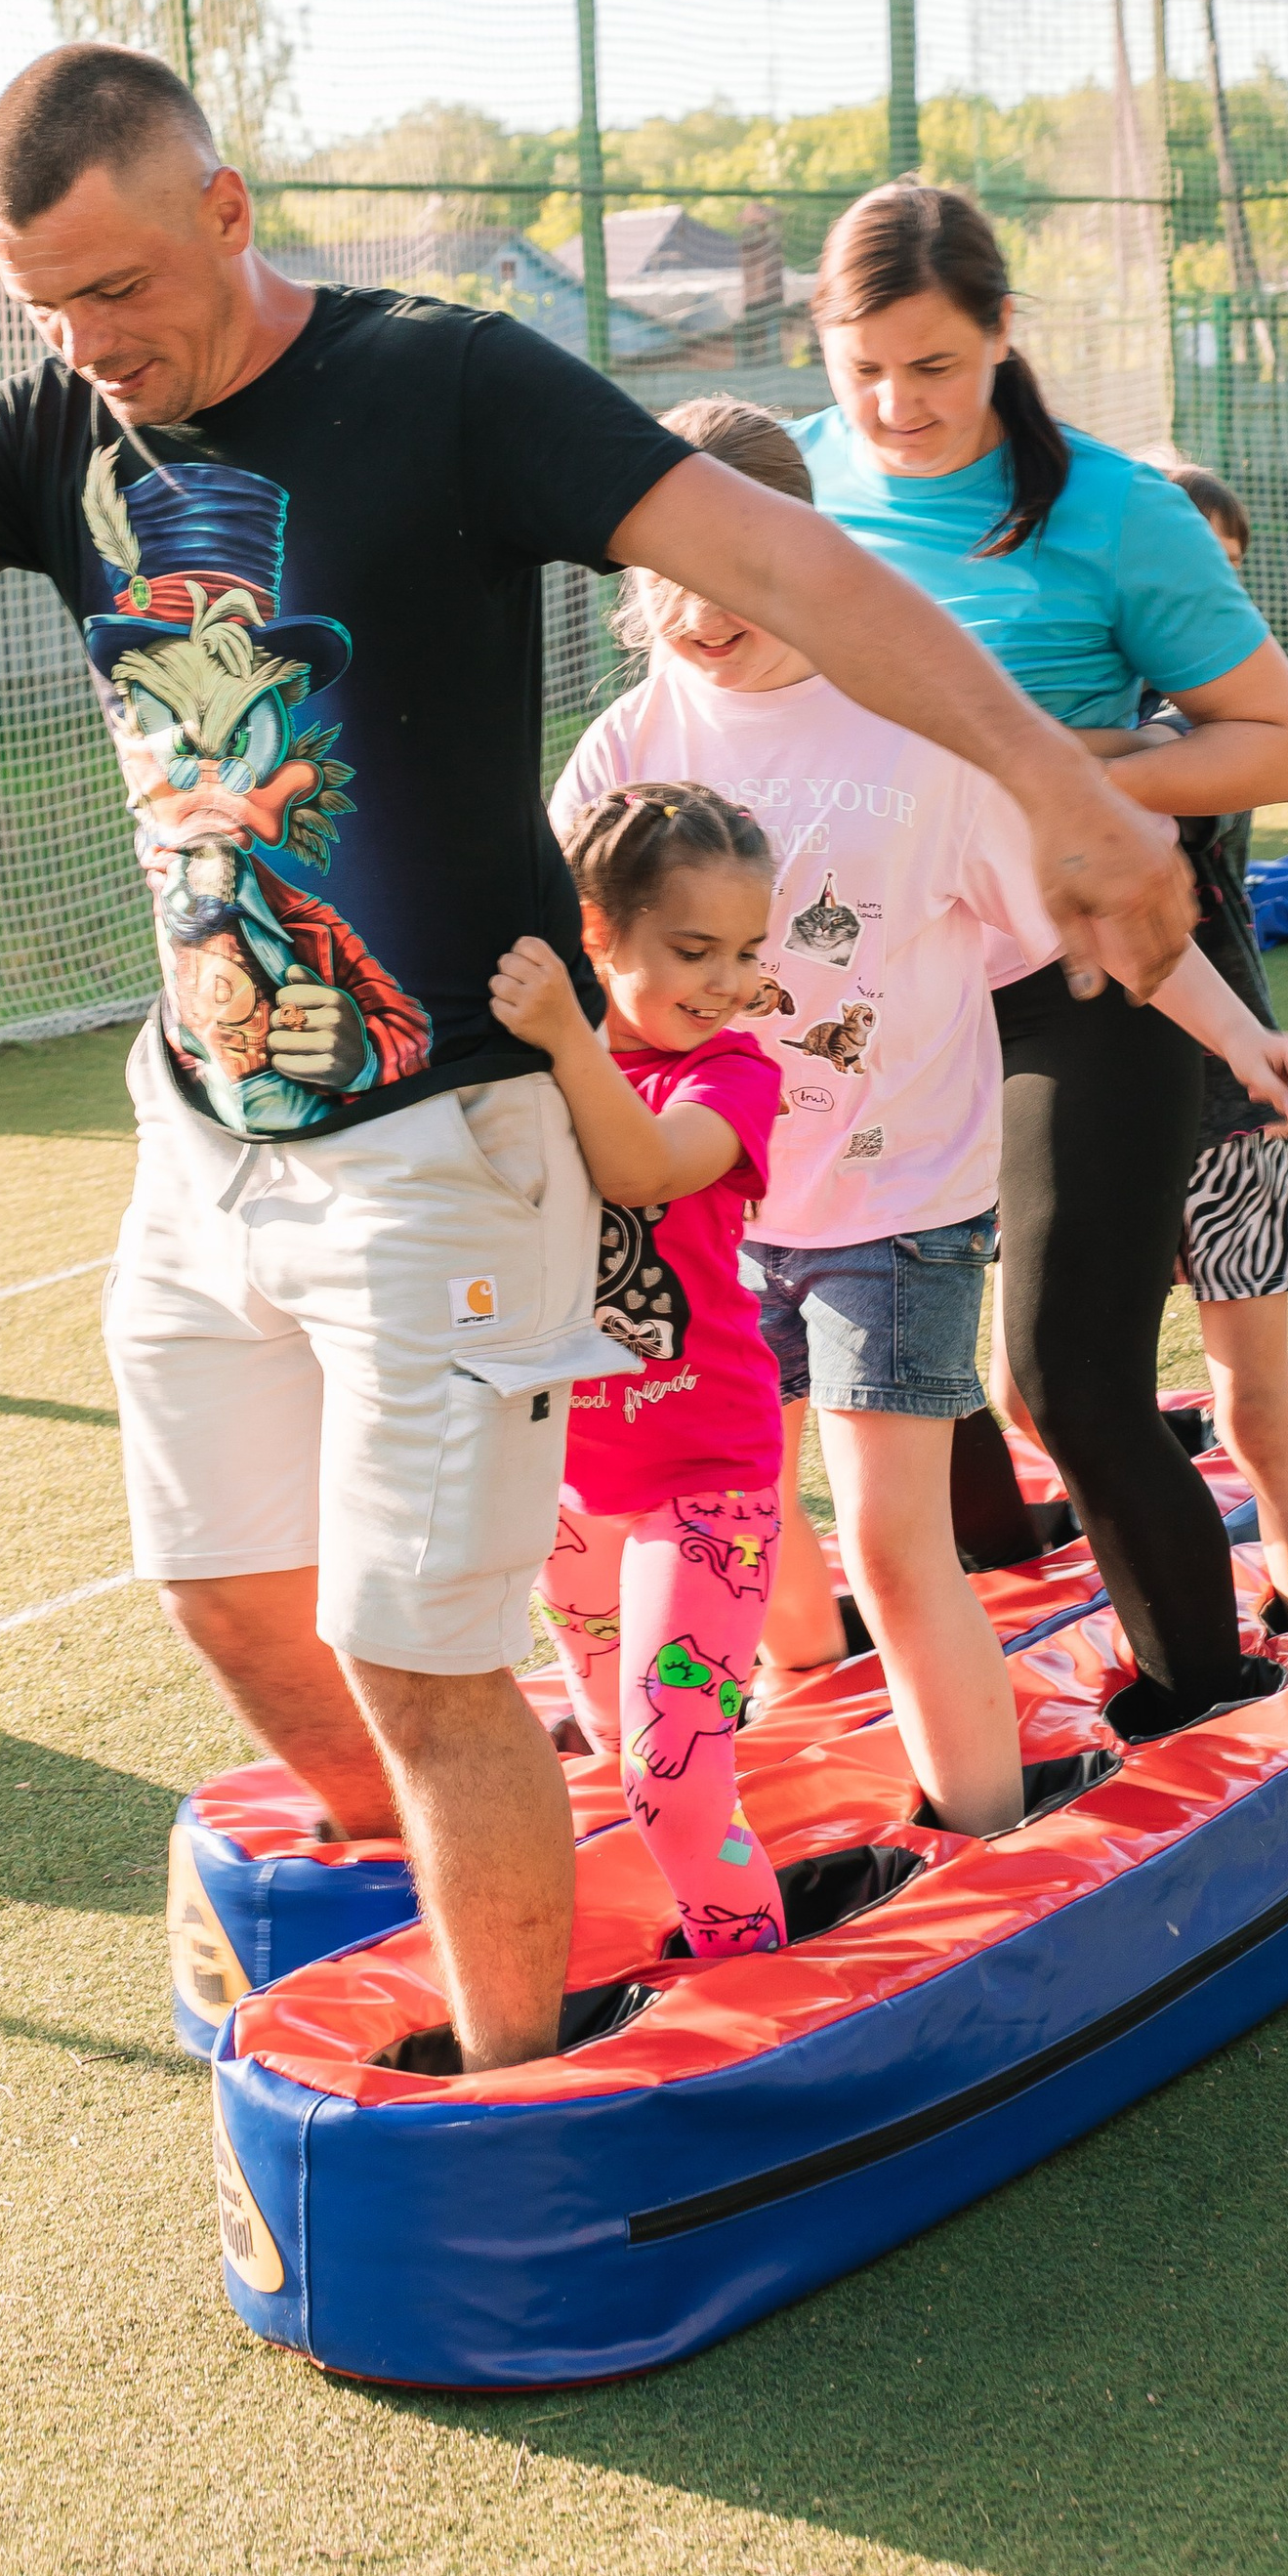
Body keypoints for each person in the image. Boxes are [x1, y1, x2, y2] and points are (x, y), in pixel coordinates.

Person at [0, 50, 1192, 2070]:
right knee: (232, 1601)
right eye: (45, 308)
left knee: (418, 1656)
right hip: (201, 1140)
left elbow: (793, 570)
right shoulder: (49, 434)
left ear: (227, 216)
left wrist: (1056, 790)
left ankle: (518, 2071)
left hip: (447, 1147)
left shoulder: (447, 385)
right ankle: (470, 1869)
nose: (93, 344)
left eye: (118, 290)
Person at [556, 398, 1288, 1831]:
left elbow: (1103, 925)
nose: (692, 611)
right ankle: (792, 1758)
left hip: (895, 1212)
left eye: (727, 576)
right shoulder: (626, 742)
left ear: (799, 556)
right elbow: (556, 950)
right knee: (738, 1512)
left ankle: (986, 1834)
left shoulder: (916, 737)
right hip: (709, 1210)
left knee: (898, 1546)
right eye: (659, 576)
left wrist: (1242, 1033)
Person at [790, 183, 1288, 1737]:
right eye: (863, 362)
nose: (896, 405)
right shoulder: (787, 487)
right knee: (878, 1353)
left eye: (936, 365)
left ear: (1003, 336)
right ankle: (999, 1583)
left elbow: (1278, 750)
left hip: (1098, 972)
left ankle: (1202, 1704)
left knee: (1068, 1376)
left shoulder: (1114, 512)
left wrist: (1066, 771)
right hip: (883, 989)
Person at [490, 782, 791, 1960]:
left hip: (704, 1485)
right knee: (621, 1754)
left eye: (746, 951)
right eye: (693, 948)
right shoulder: (519, 1073)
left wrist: (570, 1035)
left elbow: (644, 1170)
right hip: (563, 1487)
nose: (726, 980)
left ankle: (759, 1991)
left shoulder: (732, 1074)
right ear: (595, 931)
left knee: (674, 1781)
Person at [1153, 461, 1288, 1626]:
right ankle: (1171, 1576)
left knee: (1255, 1405)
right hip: (1084, 1104)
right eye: (1186, 571)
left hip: (1228, 1109)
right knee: (1042, 1396)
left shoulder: (1220, 728)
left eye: (1226, 574)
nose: (1208, 599)